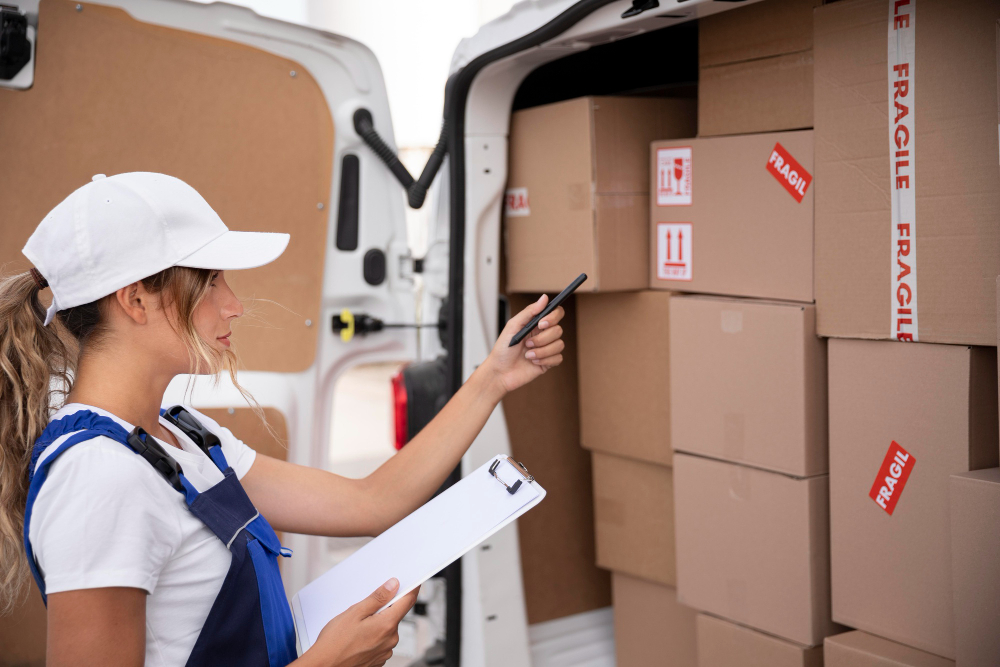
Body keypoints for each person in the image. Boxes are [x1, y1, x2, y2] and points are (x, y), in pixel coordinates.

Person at [0, 173, 566, 667]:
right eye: (211, 281)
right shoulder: (101, 478)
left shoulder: (183, 435)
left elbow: (373, 502)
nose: (235, 304)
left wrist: (494, 377)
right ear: (136, 300)